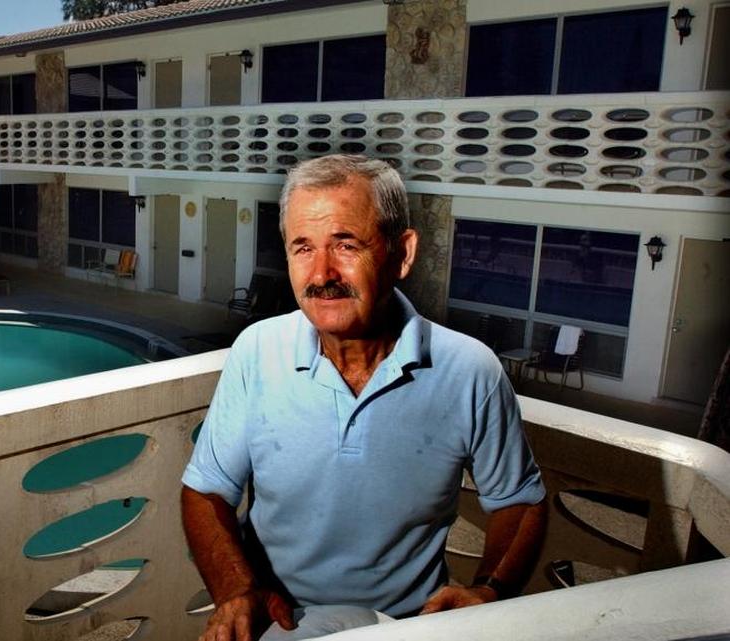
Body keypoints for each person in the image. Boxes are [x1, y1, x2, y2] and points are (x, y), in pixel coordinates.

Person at [181, 154, 548, 641]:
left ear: (403, 253)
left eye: (346, 244)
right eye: (302, 248)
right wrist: (236, 590)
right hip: (278, 620)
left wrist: (489, 591)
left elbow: (520, 502)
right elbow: (206, 490)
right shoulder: (256, 350)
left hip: (408, 627)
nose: (321, 273)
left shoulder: (469, 370)